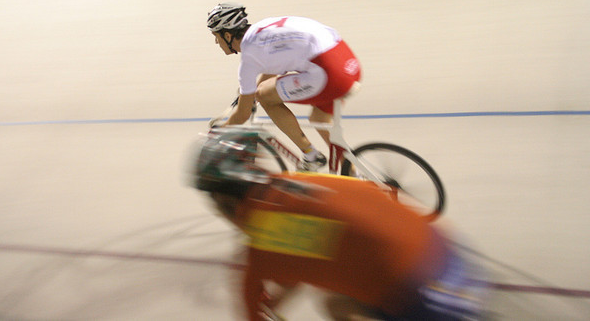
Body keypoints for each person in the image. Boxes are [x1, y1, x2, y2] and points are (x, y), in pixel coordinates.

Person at [188, 129, 489, 321]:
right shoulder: (297, 182)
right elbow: (300, 259)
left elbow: (261, 303)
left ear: (223, 201)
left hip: (423, 295)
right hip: (447, 249)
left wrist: (267, 303)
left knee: (338, 306)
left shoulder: (261, 245)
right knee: (336, 302)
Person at [207, 2, 361, 171]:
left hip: (331, 75)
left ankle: (311, 156)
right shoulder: (262, 30)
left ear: (227, 35)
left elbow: (242, 115)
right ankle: (351, 172)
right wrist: (248, 97)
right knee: (319, 119)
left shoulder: (249, 57)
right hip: (347, 63)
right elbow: (272, 68)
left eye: (216, 36)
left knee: (263, 96)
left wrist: (220, 132)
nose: (216, 42)